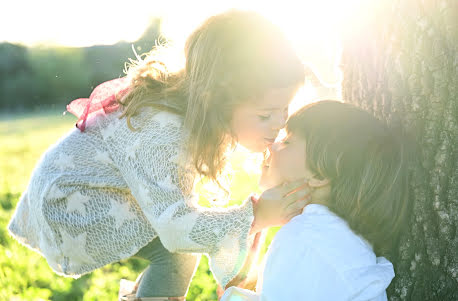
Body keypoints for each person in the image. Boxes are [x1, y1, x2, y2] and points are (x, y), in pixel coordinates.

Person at [7, 10, 309, 300]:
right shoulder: (165, 131)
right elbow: (176, 228)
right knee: (177, 249)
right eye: (265, 114)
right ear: (216, 100)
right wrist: (254, 216)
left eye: (285, 108)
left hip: (79, 189)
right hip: (71, 199)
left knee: (176, 245)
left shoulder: (193, 115)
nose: (280, 122)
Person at [222, 100, 411, 301]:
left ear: (320, 175)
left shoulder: (305, 239)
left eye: (287, 142)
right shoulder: (335, 238)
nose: (273, 144)